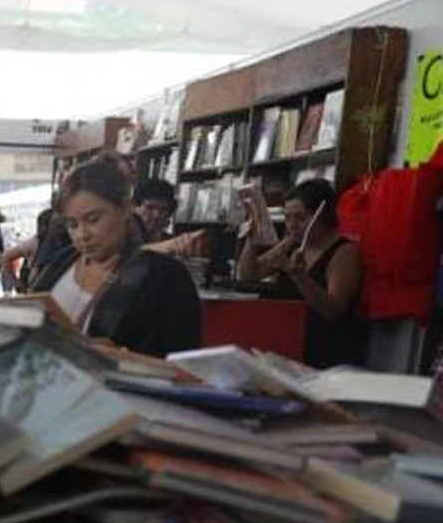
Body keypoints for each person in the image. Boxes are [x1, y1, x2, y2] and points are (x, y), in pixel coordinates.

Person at [30, 158, 201, 357]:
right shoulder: (61, 263)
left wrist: (122, 358)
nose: (82, 234)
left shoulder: (165, 278)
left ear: (126, 208)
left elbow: (182, 364)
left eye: (93, 219)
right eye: (72, 224)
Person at [236, 179, 366, 368]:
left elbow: (333, 310)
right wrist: (252, 240)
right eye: (288, 217)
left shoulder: (345, 252)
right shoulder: (292, 243)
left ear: (323, 216)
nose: (292, 225)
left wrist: (299, 276)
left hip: (324, 351)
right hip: (289, 345)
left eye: (300, 217)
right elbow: (248, 274)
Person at [135, 179, 177, 243]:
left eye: (163, 209)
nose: (156, 215)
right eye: (150, 208)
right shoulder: (120, 242)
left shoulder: (173, 243)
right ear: (135, 207)